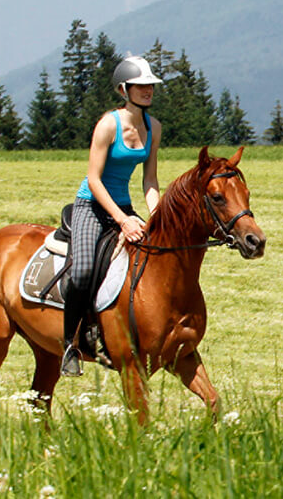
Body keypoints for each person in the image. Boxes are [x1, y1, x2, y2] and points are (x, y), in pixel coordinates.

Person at [60, 56, 164, 376]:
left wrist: (157, 217)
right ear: (124, 89)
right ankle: (70, 345)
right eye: (140, 86)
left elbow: (149, 180)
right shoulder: (108, 125)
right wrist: (123, 220)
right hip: (91, 205)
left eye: (150, 86)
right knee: (84, 270)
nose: (147, 91)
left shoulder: (154, 127)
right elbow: (94, 178)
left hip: (124, 206)